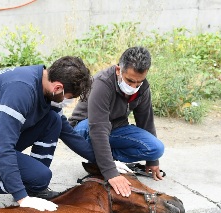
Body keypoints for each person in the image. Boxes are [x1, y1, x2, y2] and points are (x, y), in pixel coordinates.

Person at [0, 56, 125, 211]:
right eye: (69, 97)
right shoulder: (21, 92)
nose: (68, 102)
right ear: (58, 88)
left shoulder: (42, 82)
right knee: (40, 176)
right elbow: (2, 148)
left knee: (53, 121)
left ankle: (35, 186)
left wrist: (107, 163)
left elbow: (69, 134)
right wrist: (22, 198)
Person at [69, 46, 165, 198]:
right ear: (118, 70)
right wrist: (110, 172)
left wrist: (152, 161)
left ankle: (102, 157)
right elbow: (98, 128)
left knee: (156, 148)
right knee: (95, 130)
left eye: (138, 83)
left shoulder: (143, 88)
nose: (133, 87)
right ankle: (105, 160)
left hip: (115, 128)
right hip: (86, 127)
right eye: (130, 81)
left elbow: (146, 121)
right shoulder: (102, 83)